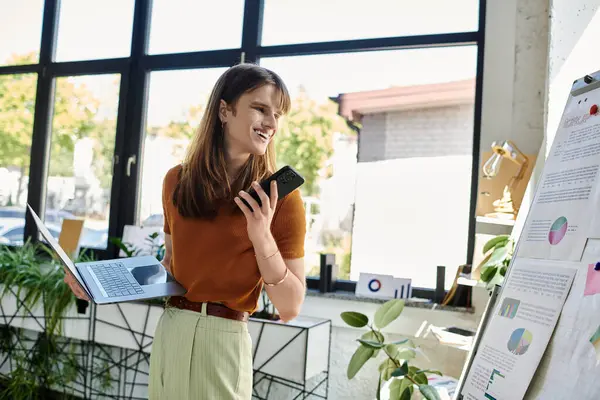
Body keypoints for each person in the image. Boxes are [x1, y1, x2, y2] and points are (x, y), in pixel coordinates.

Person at [63, 63, 307, 399]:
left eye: (277, 114)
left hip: (224, 339)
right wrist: (99, 285)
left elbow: (290, 306)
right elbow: (171, 267)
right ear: (225, 110)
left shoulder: (280, 200)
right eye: (260, 109)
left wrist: (261, 235)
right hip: (172, 329)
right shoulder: (176, 181)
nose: (271, 123)